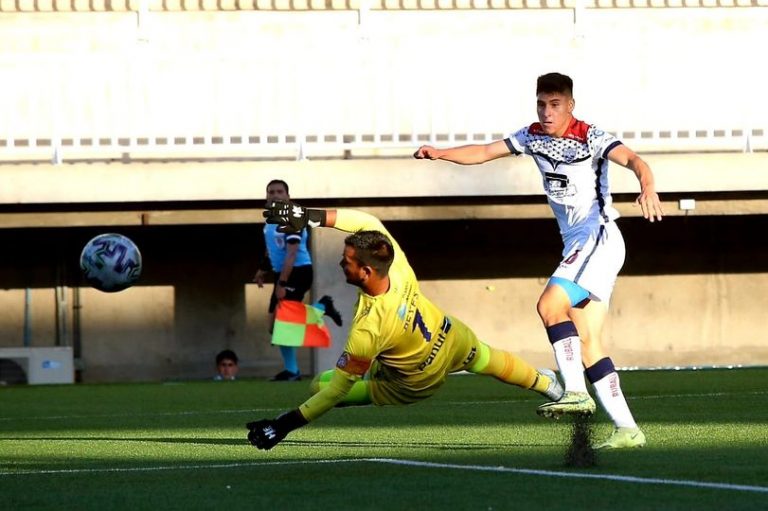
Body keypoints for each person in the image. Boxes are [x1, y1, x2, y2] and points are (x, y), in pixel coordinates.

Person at [413, 72, 664, 450]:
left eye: (555, 104)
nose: (547, 112)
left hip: (599, 236)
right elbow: (484, 152)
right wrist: (440, 153)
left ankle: (576, 392)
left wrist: (647, 185)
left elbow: (633, 159)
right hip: (579, 244)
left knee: (549, 304)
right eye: (541, 104)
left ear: (570, 105)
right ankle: (628, 429)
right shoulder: (531, 136)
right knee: (589, 342)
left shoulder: (590, 135)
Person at [245, 201, 564, 450]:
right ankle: (546, 384)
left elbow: (334, 393)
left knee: (320, 386)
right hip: (449, 337)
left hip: (415, 381)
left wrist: (281, 425)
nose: (342, 263)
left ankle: (380, 374)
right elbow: (367, 223)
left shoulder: (369, 329)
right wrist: (307, 215)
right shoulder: (394, 265)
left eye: (348, 261)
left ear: (366, 272)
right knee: (485, 358)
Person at [253, 179, 342, 382]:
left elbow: (291, 254)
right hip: (282, 273)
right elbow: (272, 248)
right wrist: (262, 269)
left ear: (287, 196)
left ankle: (321, 307)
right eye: (271, 192)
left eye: (279, 191)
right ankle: (292, 370)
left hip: (298, 272)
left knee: (283, 320)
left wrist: (282, 284)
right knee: (274, 325)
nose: (275, 195)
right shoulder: (270, 219)